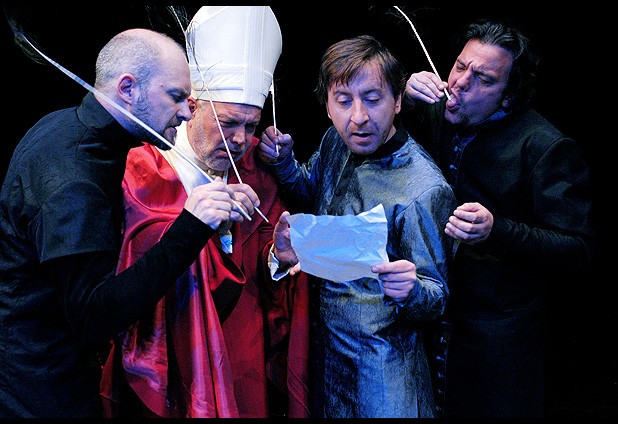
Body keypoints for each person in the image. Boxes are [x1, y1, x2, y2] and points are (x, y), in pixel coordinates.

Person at [0, 27, 261, 418]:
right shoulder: (75, 180)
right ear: (127, 89)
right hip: (41, 388)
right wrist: (190, 226)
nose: (187, 112)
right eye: (175, 96)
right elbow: (94, 318)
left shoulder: (65, 125)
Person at [99, 6, 309, 418]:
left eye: (251, 125)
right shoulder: (146, 166)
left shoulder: (256, 167)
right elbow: (131, 270)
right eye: (229, 123)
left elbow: (265, 255)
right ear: (192, 107)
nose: (240, 139)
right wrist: (206, 225)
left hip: (241, 345)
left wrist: (277, 257)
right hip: (173, 343)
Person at [403, 19, 595, 418]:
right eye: (460, 66)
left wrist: (497, 230)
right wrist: (403, 92)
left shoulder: (544, 146)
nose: (460, 83)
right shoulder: (437, 110)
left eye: (483, 79)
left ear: (508, 97)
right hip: (429, 322)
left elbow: (579, 248)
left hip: (498, 342)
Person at [258, 34, 457, 418]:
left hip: (383, 373)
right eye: (344, 100)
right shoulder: (336, 140)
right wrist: (283, 162)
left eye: (373, 98)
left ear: (397, 101)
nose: (359, 116)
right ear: (327, 105)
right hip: (325, 357)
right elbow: (311, 189)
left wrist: (412, 289)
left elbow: (437, 297)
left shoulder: (424, 189)